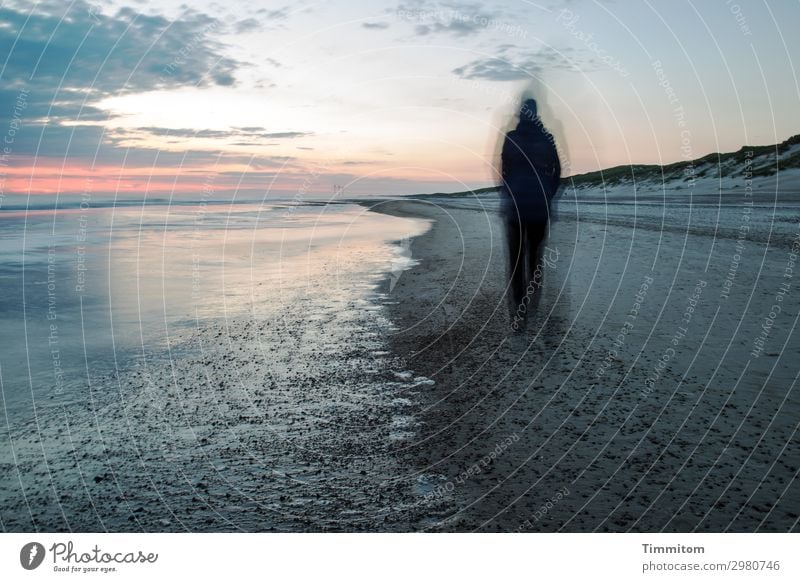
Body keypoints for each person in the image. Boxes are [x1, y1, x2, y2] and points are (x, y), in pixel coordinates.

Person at [500, 98, 561, 322]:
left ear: (520, 114)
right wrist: (547, 195)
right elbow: (557, 173)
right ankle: (532, 306)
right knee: (535, 260)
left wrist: (508, 194)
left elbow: (503, 172)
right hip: (539, 207)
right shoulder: (547, 138)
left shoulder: (511, 139)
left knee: (516, 263)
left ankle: (518, 310)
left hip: (515, 208)